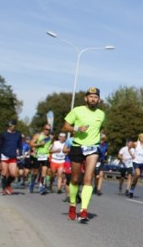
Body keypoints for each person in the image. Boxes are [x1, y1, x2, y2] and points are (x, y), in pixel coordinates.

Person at [61, 87, 106, 222]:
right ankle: (73, 204)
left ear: (98, 99)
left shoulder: (101, 114)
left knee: (88, 179)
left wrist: (99, 139)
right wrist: (76, 128)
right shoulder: (77, 111)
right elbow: (65, 127)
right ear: (86, 98)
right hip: (77, 147)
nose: (93, 99)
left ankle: (84, 210)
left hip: (93, 148)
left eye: (95, 97)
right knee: (75, 179)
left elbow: (100, 129)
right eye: (90, 96)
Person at [0, 120, 23, 195]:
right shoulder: (3, 134)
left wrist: (20, 153)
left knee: (13, 174)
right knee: (4, 172)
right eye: (10, 126)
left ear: (15, 126)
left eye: (13, 126)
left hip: (13, 155)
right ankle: (3, 188)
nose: (11, 127)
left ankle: (7, 184)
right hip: (4, 155)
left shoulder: (18, 134)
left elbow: (20, 145)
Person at [29, 123, 54, 194]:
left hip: (46, 156)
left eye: (49, 130)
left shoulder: (50, 137)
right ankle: (32, 182)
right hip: (38, 156)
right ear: (43, 129)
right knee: (35, 172)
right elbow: (31, 143)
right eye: (46, 129)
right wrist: (39, 144)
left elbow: (50, 146)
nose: (47, 131)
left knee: (44, 171)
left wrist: (51, 148)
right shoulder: (38, 135)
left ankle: (41, 186)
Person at [127, 133, 143, 198]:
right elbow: (129, 148)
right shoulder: (135, 144)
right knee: (137, 174)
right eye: (142, 137)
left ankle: (132, 189)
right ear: (139, 138)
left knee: (137, 177)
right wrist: (132, 155)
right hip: (136, 161)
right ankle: (132, 184)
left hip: (142, 163)